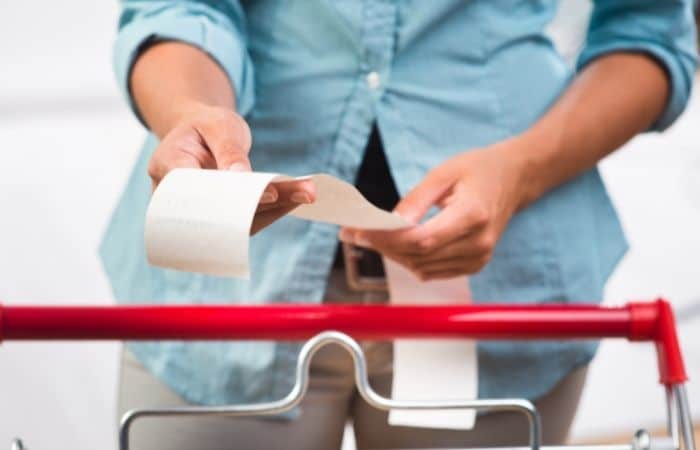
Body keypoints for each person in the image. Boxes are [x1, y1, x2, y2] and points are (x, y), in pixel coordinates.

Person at [101, 1, 697, 449]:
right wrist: (193, 115)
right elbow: (178, 9)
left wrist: (522, 170)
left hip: (503, 286)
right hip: (231, 294)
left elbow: (647, 32)